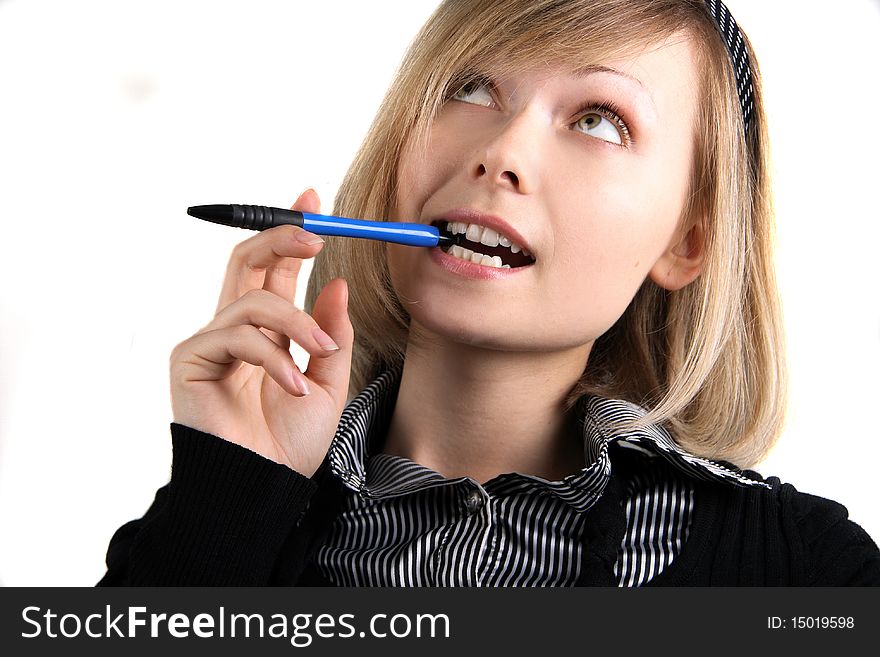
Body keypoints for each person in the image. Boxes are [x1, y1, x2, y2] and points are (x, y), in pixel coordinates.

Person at [98, 0, 880, 586]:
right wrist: (228, 497)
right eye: (471, 87)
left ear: (688, 241)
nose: (502, 151)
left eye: (600, 121)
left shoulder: (813, 573)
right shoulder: (199, 529)